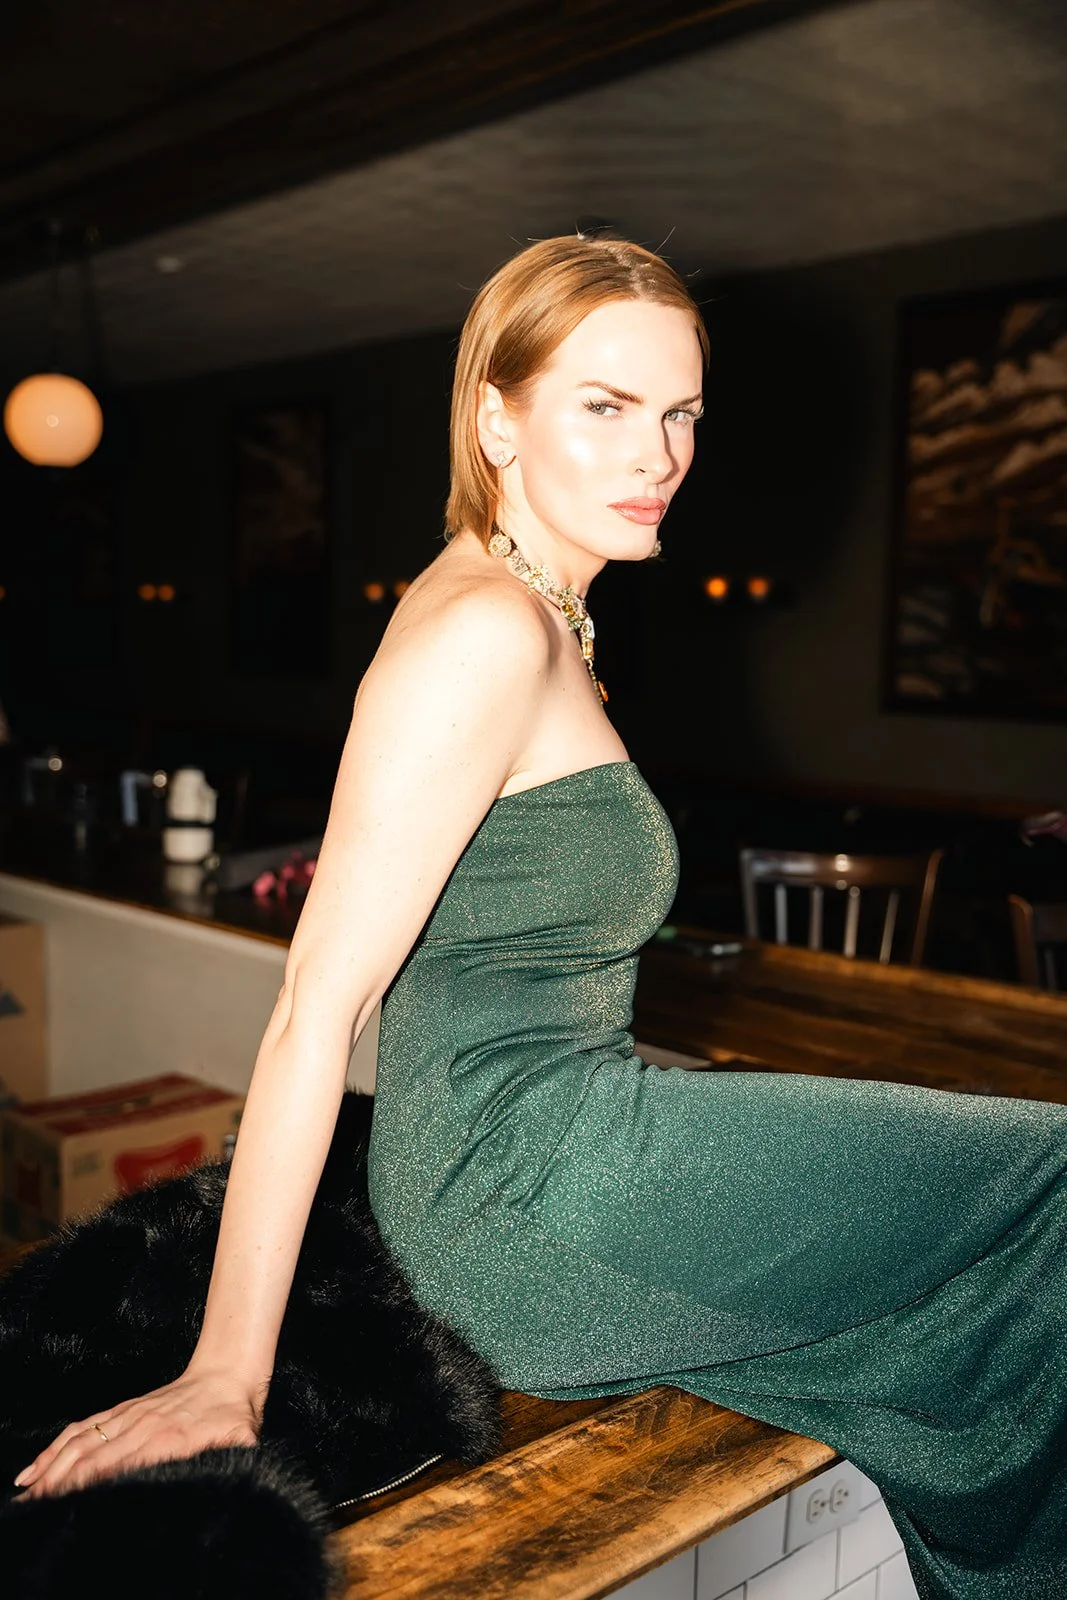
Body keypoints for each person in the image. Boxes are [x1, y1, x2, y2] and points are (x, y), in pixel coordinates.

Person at [14, 236, 1067, 1599]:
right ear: (495, 415)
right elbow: (313, 1006)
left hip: (555, 1145)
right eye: (607, 406)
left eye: (681, 411)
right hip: (525, 1190)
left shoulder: (541, 618)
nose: (660, 452)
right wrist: (225, 1372)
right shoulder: (484, 634)